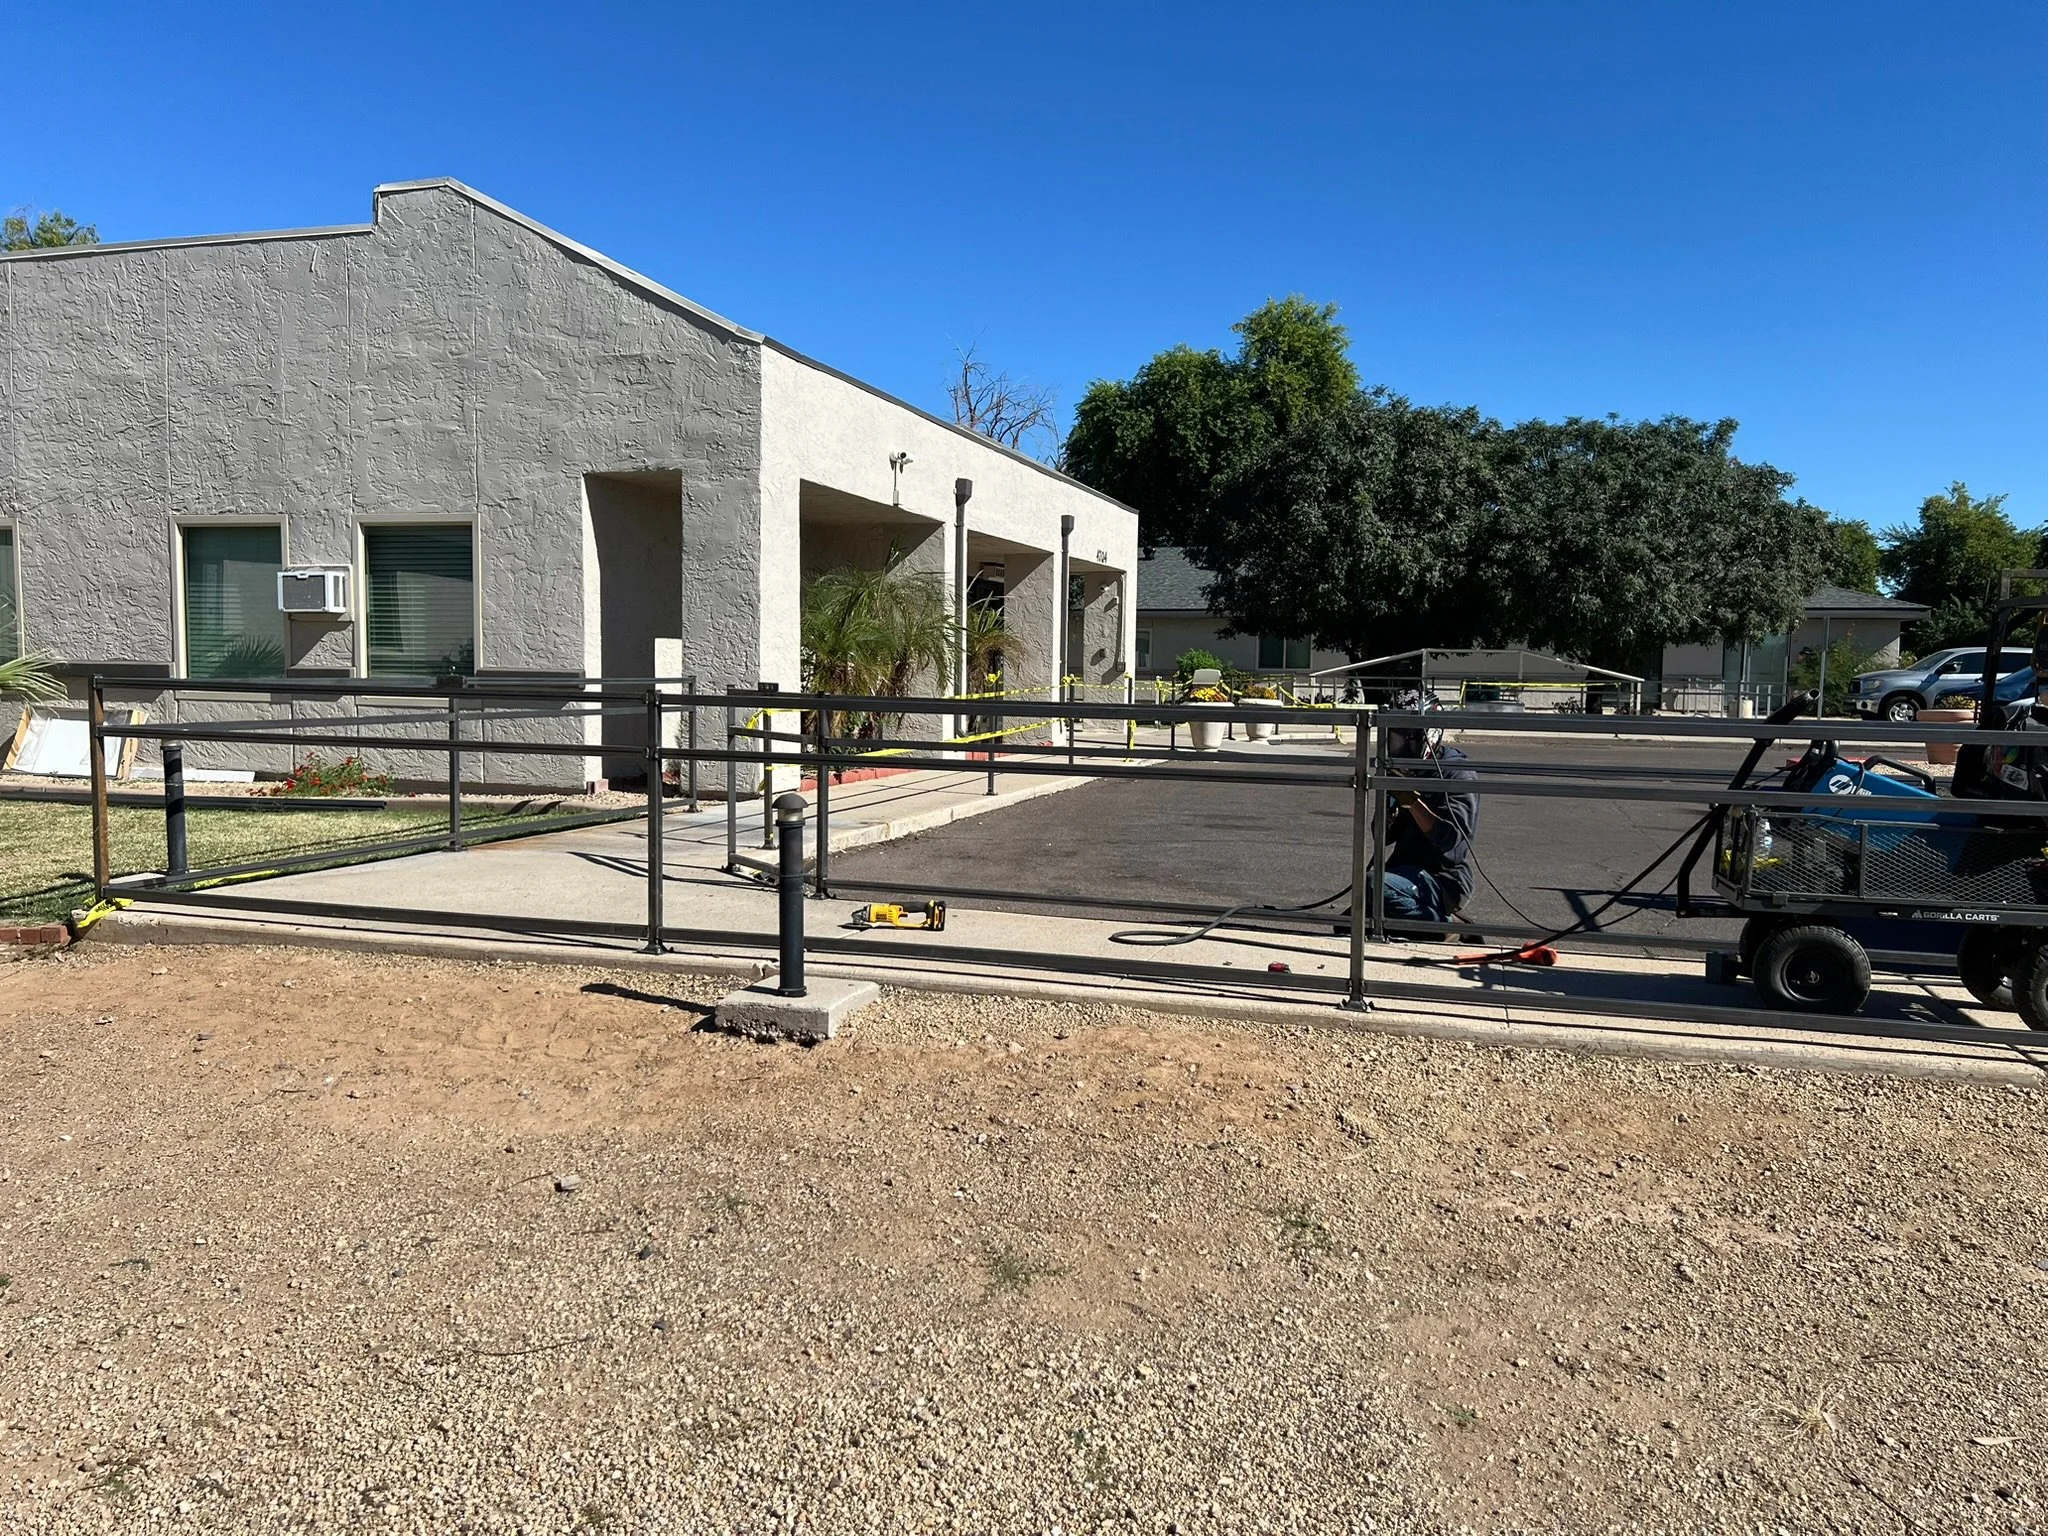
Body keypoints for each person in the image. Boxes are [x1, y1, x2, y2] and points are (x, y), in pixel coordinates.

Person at [1379, 690, 1480, 925]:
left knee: (1377, 888)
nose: (1400, 747)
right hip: (1403, 869)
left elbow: (1451, 841)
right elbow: (1380, 835)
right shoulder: (1402, 770)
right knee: (1351, 920)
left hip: (1443, 877)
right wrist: (1389, 801)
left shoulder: (1457, 773)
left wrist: (1412, 801)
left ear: (1429, 735)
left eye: (1408, 739)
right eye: (1396, 739)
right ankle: (1422, 924)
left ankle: (1449, 928)